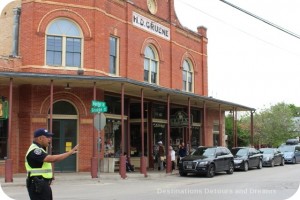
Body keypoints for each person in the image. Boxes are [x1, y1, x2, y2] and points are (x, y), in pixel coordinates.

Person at [25, 128, 79, 200]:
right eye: (47, 137)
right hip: (37, 186)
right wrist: (70, 152)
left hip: (41, 185)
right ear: (40, 138)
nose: (49, 139)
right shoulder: (35, 150)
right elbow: (52, 159)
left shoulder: (40, 149)